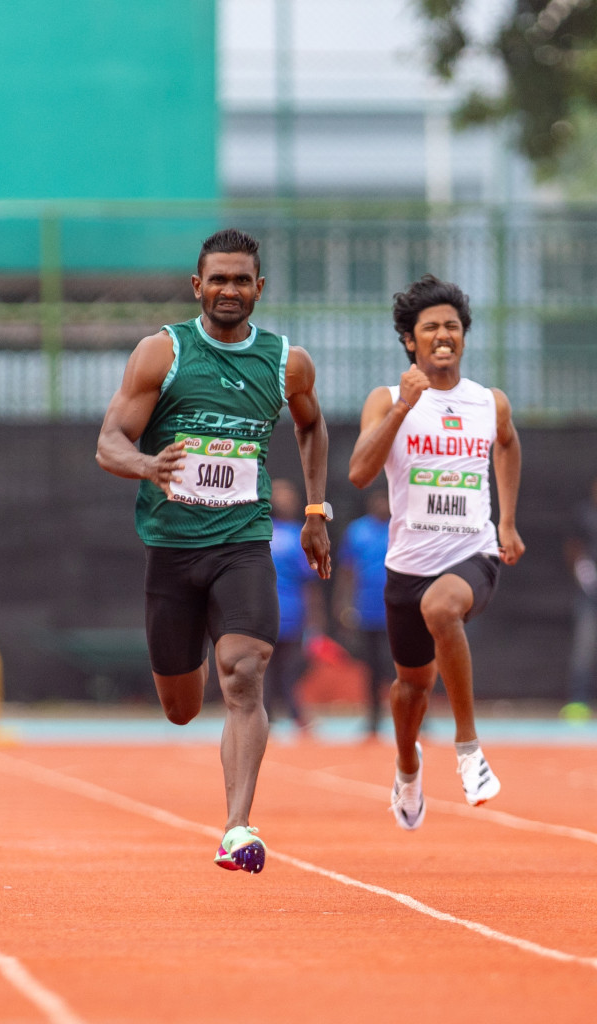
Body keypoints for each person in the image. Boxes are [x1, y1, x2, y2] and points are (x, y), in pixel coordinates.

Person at [96, 228, 332, 874]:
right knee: (180, 707)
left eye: (242, 280)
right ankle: (192, 662)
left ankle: (237, 826)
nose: (230, 290)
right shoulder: (162, 353)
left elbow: (312, 426)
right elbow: (108, 441)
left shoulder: (287, 363)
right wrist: (148, 466)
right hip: (173, 549)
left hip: (243, 541)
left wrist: (315, 509)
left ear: (260, 288)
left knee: (245, 673)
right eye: (218, 279)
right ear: (197, 286)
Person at [349, 274, 524, 831]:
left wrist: (510, 523)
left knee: (443, 608)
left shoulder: (487, 402)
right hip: (407, 565)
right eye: (431, 328)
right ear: (410, 340)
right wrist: (404, 406)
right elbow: (357, 473)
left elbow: (509, 443)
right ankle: (407, 769)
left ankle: (469, 750)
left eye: (452, 326)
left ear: (464, 337)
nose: (443, 335)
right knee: (410, 691)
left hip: (473, 552)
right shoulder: (386, 398)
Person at [337, 487, 394, 737]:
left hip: (398, 610)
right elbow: (347, 571)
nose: (382, 504)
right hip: (367, 610)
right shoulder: (357, 531)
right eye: (378, 499)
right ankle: (373, 719)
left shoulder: (401, 528)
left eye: (386, 499)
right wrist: (344, 605)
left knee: (404, 666)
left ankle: (417, 716)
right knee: (372, 667)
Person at [267, 478, 321, 733]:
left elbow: (309, 583)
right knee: (269, 670)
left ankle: (284, 714)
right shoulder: (264, 532)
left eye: (288, 494)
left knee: (284, 669)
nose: (285, 499)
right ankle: (276, 714)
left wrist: (313, 621)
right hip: (271, 613)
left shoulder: (299, 534)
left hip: (289, 614)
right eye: (280, 494)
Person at [562, 477, 597, 722]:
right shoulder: (584, 514)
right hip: (590, 596)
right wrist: (583, 570)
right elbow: (573, 547)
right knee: (584, 648)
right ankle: (578, 702)